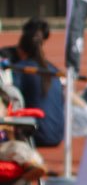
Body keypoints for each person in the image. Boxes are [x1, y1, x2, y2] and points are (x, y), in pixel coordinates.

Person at [8, 18, 65, 147]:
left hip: (36, 135)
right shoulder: (54, 70)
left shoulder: (21, 69)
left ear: (21, 50)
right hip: (58, 135)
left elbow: (12, 98)